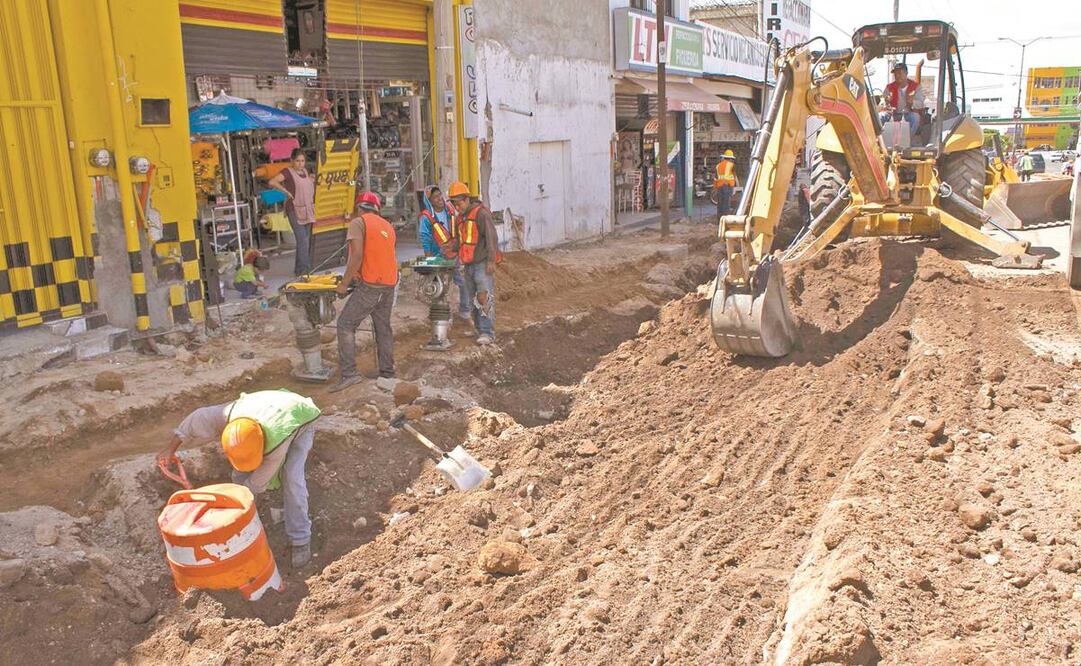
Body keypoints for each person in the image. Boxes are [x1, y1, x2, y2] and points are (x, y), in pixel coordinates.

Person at [156, 389, 321, 567]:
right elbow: (195, 419)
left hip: (298, 415)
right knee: (239, 475)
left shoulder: (275, 447)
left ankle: (301, 539)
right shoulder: (225, 417)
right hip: (266, 406)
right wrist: (170, 448)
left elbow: (255, 485)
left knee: (291, 478)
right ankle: (251, 522)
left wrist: (230, 514)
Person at [330, 191, 398, 393]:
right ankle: (387, 372)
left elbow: (357, 255)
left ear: (359, 208)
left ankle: (349, 375)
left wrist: (344, 283)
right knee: (383, 327)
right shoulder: (387, 226)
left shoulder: (358, 223)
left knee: (345, 325)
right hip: (389, 284)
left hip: (372, 285)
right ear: (377, 209)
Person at [447, 181, 500, 346]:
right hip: (468, 264)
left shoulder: (481, 214)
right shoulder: (460, 218)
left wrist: (492, 260)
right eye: (455, 204)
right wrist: (450, 248)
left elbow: (491, 237)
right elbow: (462, 241)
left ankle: (487, 332)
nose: (457, 206)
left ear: (467, 199)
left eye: (460, 202)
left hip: (482, 263)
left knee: (484, 297)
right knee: (473, 299)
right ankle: (479, 329)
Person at [419, 185, 471, 324]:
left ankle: (465, 312)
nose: (439, 199)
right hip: (439, 256)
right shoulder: (426, 217)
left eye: (440, 195)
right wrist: (430, 260)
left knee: (463, 282)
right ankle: (441, 317)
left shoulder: (450, 210)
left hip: (454, 253)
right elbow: (425, 238)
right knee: (440, 286)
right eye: (435, 197)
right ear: (430, 201)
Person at [269, 149, 316, 276]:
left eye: (302, 161)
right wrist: (285, 192)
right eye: (297, 161)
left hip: (307, 210)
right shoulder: (287, 172)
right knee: (302, 240)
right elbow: (272, 181)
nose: (300, 164)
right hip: (294, 210)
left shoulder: (305, 172)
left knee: (305, 240)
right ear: (292, 161)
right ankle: (304, 270)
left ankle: (299, 269)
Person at [883, 63, 921, 136]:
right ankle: (880, 141)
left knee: (915, 118)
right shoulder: (889, 87)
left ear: (906, 73)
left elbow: (920, 103)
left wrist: (912, 102)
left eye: (900, 73)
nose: (897, 76)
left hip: (908, 114)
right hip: (892, 113)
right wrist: (886, 103)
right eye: (895, 74)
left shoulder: (916, 87)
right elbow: (884, 100)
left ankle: (907, 139)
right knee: (879, 117)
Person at [713, 149, 738, 219]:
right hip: (728, 186)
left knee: (720, 204)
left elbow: (715, 178)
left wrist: (715, 187)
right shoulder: (732, 165)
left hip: (719, 186)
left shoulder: (718, 166)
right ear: (730, 158)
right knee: (726, 204)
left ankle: (719, 220)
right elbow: (734, 176)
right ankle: (726, 220)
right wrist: (734, 187)